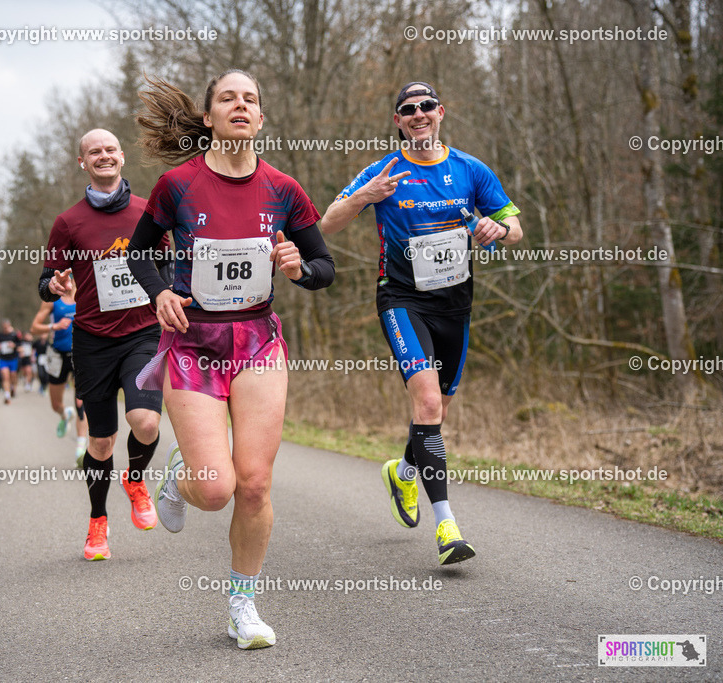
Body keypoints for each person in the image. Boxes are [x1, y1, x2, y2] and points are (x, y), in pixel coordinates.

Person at [127, 70, 334, 649]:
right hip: (192, 343)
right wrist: (160, 291)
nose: (240, 106)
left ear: (260, 119)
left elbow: (325, 270)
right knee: (215, 489)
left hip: (258, 343)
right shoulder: (177, 185)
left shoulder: (284, 191)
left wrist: (298, 267)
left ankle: (243, 606)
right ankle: (179, 477)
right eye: (228, 98)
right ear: (210, 117)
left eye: (250, 99)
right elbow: (141, 252)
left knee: (254, 484)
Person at [321, 82, 522, 565]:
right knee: (427, 401)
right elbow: (325, 224)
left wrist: (499, 228)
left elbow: (515, 227)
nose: (418, 114)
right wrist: (364, 196)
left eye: (425, 107)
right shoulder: (383, 171)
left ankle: (404, 471)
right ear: (398, 121)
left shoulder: (471, 170)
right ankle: (447, 526)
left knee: (437, 411)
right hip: (402, 299)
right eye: (407, 110)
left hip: (455, 305)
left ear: (440, 113)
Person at [37, 129, 171, 562]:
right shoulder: (68, 222)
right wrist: (54, 284)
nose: (104, 156)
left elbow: (168, 263)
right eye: (94, 151)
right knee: (100, 443)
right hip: (92, 340)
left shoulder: (148, 211)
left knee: (146, 422)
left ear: (122, 157)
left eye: (111, 149)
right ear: (83, 162)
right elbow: (45, 282)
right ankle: (98, 523)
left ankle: (135, 479)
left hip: (143, 333)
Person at [31, 280, 88, 461]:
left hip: (80, 353)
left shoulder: (84, 293)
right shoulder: (52, 299)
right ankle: (65, 414)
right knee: (55, 404)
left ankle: (81, 449)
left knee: (81, 402)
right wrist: (53, 327)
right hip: (57, 355)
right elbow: (34, 327)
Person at [0, 320, 22, 404]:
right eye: (4, 327)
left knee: (13, 376)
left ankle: (13, 388)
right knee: (5, 377)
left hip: (13, 359)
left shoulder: (14, 335)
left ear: (9, 325)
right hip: (3, 359)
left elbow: (20, 345)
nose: (5, 328)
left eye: (6, 327)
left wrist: (14, 345)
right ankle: (7, 395)